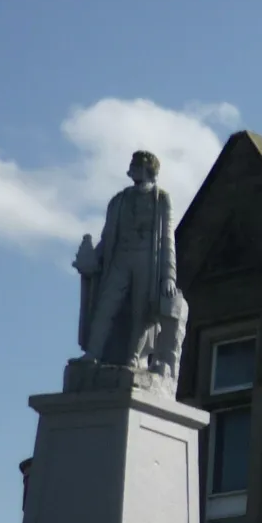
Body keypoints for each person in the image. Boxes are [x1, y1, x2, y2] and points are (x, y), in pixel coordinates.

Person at [75, 150, 185, 375]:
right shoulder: (119, 200)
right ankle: (93, 353)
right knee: (106, 306)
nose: (131, 169)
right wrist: (92, 259)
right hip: (121, 257)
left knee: (141, 312)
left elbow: (167, 239)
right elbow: (107, 237)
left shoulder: (161, 198)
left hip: (147, 259)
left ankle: (134, 357)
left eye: (135, 165)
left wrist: (169, 276)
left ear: (146, 168)